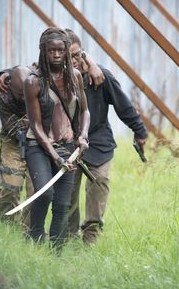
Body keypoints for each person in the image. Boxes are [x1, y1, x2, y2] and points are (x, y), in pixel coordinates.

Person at [65, 29, 148, 245]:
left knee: (99, 181)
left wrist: (140, 132)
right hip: (68, 144)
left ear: (83, 53)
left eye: (77, 55)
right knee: (67, 193)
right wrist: (5, 75)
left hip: (98, 141)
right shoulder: (55, 79)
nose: (73, 61)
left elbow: (124, 106)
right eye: (68, 57)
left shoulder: (100, 76)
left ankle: (91, 236)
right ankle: (69, 237)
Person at [24, 27, 90, 249]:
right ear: (43, 51)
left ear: (65, 51)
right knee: (44, 192)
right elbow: (35, 125)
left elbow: (84, 111)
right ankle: (35, 236)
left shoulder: (76, 77)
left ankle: (56, 252)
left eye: (60, 50)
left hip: (68, 145)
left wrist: (83, 135)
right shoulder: (33, 82)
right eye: (51, 50)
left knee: (62, 204)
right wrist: (54, 156)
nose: (56, 55)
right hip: (39, 145)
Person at [0, 65, 35, 229]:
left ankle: (29, 231)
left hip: (37, 140)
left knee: (35, 190)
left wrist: (5, 72)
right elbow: (11, 127)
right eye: (20, 95)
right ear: (10, 86)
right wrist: (26, 123)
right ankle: (9, 227)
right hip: (12, 141)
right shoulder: (1, 94)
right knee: (10, 187)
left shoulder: (36, 81)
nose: (24, 100)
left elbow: (34, 66)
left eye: (27, 95)